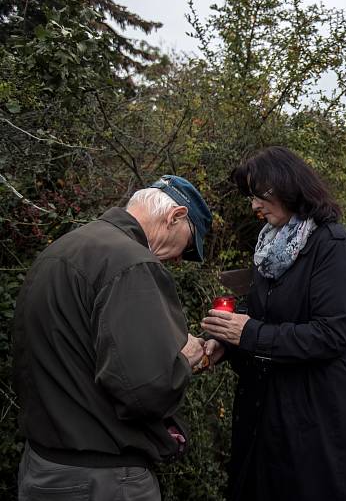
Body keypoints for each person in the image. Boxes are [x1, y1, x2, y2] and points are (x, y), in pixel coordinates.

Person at [14, 175, 212, 500]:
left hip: (41, 467)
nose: (178, 259)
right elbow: (144, 391)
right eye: (188, 246)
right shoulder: (131, 262)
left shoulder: (61, 249)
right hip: (102, 480)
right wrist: (185, 360)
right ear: (175, 216)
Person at [201, 146, 346, 501]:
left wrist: (249, 333)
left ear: (286, 187)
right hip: (270, 409)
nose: (253, 207)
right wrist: (228, 341)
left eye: (257, 196)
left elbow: (333, 333)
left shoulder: (333, 246)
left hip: (317, 411)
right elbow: (265, 311)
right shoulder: (271, 245)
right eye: (250, 198)